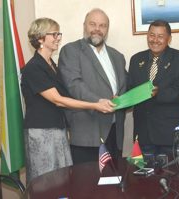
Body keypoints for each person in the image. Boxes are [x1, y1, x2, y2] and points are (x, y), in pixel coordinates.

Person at [21, 17, 115, 183]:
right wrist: (95, 104)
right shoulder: (34, 67)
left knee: (62, 179)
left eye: (59, 34)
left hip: (58, 130)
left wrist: (108, 98)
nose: (58, 37)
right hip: (42, 132)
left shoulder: (51, 64)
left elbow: (69, 94)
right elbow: (59, 100)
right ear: (40, 38)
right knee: (45, 182)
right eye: (54, 34)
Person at [58, 8, 127, 164]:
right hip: (87, 132)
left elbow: (124, 86)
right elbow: (74, 85)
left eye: (102, 25)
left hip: (115, 133)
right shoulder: (71, 50)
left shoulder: (117, 56)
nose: (97, 29)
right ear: (84, 25)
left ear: (107, 29)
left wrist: (123, 98)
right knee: (86, 185)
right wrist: (99, 102)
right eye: (93, 24)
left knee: (113, 183)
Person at [128, 20, 179, 157]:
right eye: (152, 35)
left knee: (174, 176)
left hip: (170, 135)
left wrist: (159, 93)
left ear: (169, 38)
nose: (155, 40)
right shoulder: (136, 59)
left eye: (160, 36)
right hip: (143, 135)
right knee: (145, 177)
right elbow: (130, 90)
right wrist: (120, 100)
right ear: (147, 36)